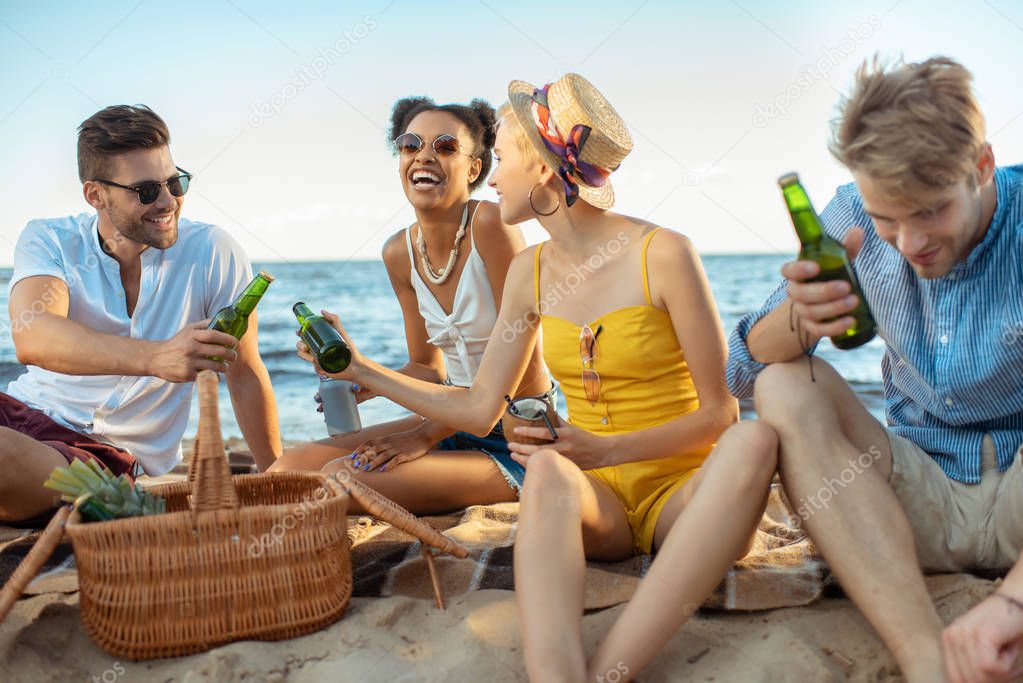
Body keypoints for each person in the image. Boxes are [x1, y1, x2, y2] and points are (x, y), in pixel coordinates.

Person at [298, 73, 780, 682]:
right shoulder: (531, 269)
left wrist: (604, 448)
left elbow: (720, 415)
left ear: (547, 170)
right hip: (598, 499)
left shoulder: (664, 253)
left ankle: (609, 667)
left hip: (683, 497)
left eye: (501, 160)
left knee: (756, 441)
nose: (492, 177)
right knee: (549, 466)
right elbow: (478, 409)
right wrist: (362, 369)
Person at [726, 56, 1023, 683]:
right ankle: (924, 660)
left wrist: (1008, 606)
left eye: (931, 211)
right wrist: (800, 321)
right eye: (888, 216)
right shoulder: (850, 218)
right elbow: (741, 377)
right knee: (784, 381)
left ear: (982, 167)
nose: (908, 242)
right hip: (914, 502)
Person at [270, 97, 553, 515]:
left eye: (445, 146)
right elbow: (428, 368)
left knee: (340, 477)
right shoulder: (398, 253)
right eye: (410, 145)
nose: (424, 155)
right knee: (286, 473)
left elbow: (518, 377)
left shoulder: (492, 227)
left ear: (474, 168)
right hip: (450, 419)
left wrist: (420, 437)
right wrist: (361, 380)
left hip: (517, 432)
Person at [0, 105, 281, 526]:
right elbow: (33, 335)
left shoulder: (213, 253)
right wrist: (155, 357)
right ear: (96, 194)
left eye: (174, 182)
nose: (168, 201)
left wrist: (277, 480)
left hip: (96, 459)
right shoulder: (50, 238)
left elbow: (244, 372)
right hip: (18, 411)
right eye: (146, 190)